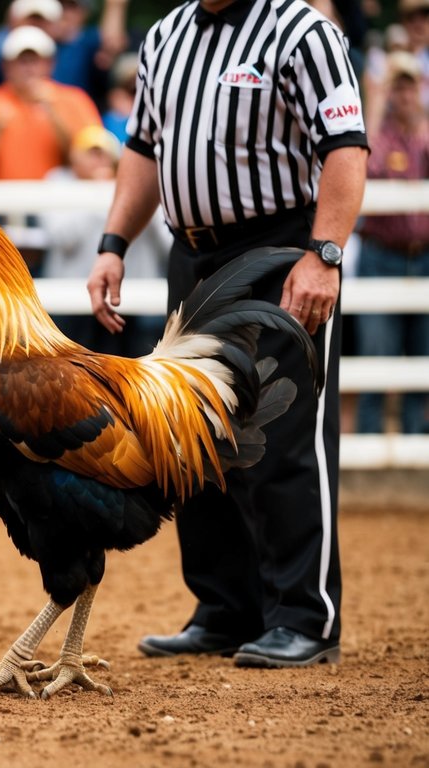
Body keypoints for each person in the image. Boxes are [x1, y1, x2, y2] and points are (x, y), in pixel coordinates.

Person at [86, 0, 368, 668]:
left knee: (283, 433)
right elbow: (143, 148)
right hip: (191, 255)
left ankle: (304, 616)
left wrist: (322, 256)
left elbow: (345, 149)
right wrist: (111, 242)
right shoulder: (165, 35)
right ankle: (223, 608)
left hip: (279, 250)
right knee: (195, 434)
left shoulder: (301, 30)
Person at [41, 125, 167, 357]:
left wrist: (134, 199)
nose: (98, 160)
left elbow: (165, 240)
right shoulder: (59, 182)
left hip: (134, 297)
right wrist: (98, 195)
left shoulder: (134, 186)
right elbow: (63, 237)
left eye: (103, 153)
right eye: (91, 153)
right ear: (74, 159)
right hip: (75, 300)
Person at [353, 51, 429, 434]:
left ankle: (415, 442)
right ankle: (369, 437)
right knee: (375, 359)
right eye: (395, 85)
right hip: (382, 255)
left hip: (423, 257)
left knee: (423, 356)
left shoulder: (424, 135)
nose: (404, 94)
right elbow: (363, 168)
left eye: (409, 85)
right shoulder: (375, 135)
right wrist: (377, 102)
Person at [0, 25, 100, 181]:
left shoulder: (75, 100)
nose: (29, 68)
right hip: (2, 201)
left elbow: (94, 159)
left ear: (50, 64)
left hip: (62, 201)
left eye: (35, 61)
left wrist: (54, 115)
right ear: (6, 66)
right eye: (22, 61)